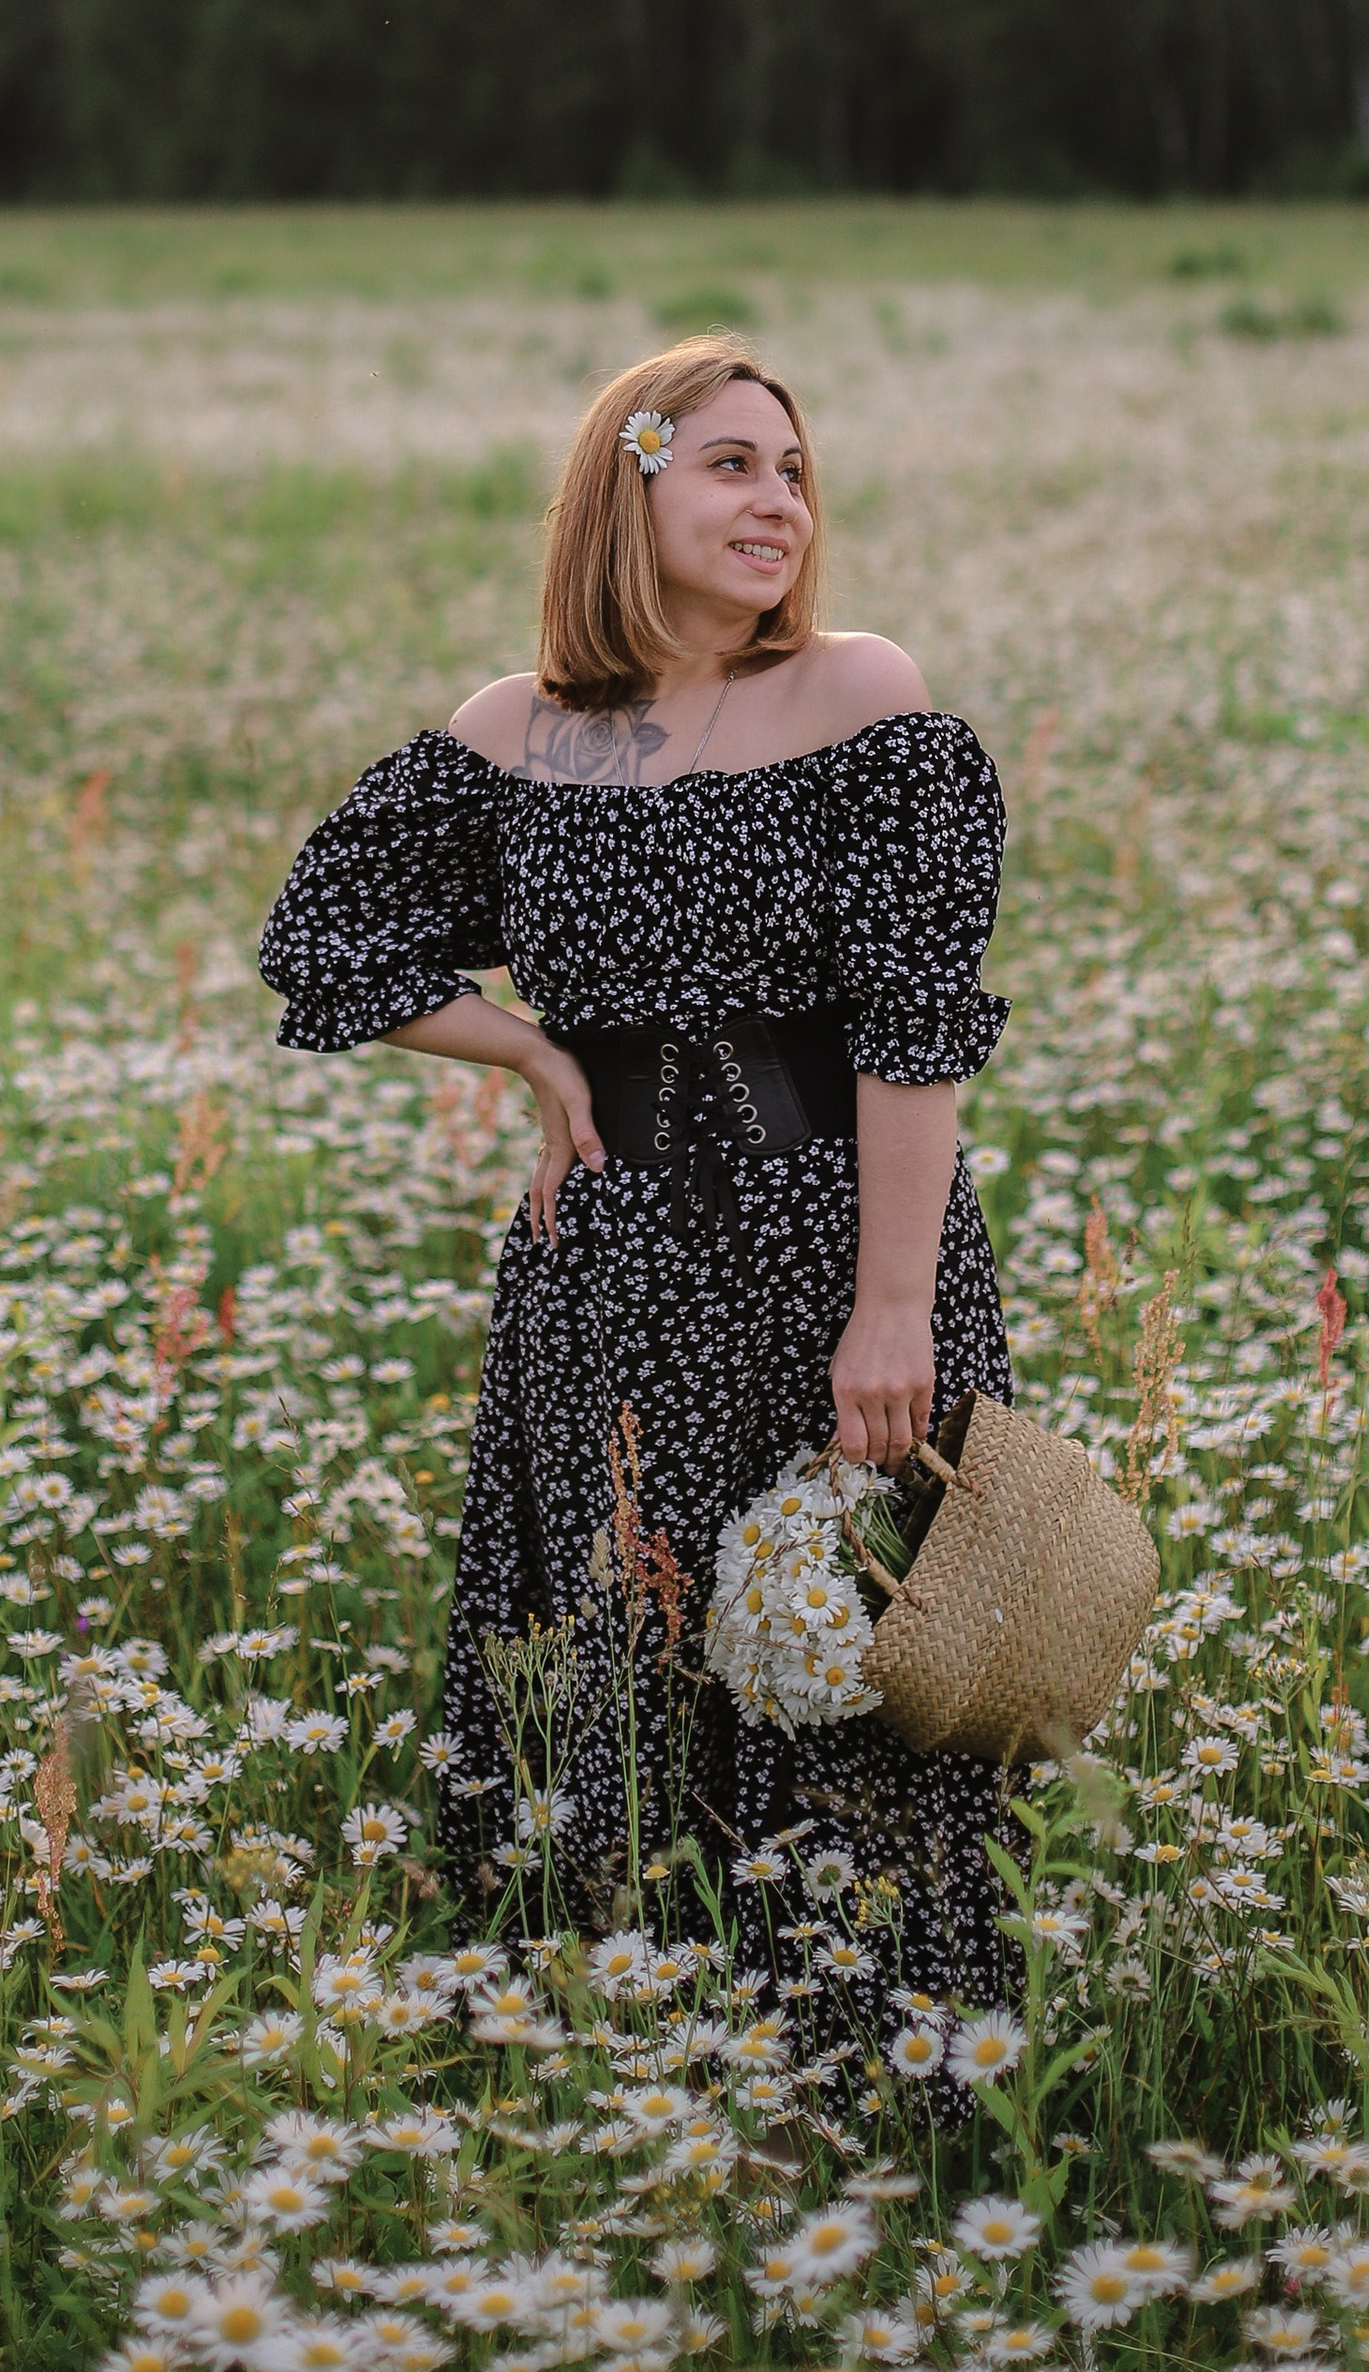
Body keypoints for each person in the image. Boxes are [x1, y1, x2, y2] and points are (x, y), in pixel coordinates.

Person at [256, 336, 1015, 2007]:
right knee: (630, 1640)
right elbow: (320, 940)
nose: (778, 503)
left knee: (852, 1636)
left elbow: (914, 1026)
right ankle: (638, 2026)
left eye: (795, 473)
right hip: (609, 1272)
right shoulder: (524, 731)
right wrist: (530, 1050)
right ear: (630, 487)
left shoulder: (860, 697)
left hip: (832, 1244)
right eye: (733, 465)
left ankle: (881, 2058)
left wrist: (894, 1310)